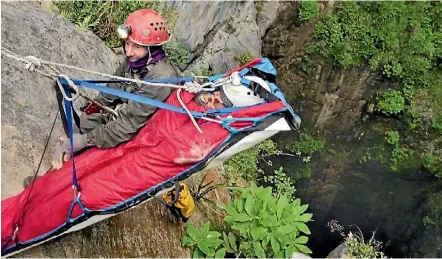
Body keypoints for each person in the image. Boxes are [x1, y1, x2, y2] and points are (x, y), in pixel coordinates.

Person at [51, 9, 180, 169]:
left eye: (137, 47)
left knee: (92, 160)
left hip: (139, 135)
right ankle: (72, 157)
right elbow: (111, 90)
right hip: (121, 117)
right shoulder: (136, 61)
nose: (128, 52)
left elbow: (127, 126)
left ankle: (66, 174)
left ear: (152, 50)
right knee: (85, 123)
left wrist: (84, 140)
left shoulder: (162, 79)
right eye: (127, 44)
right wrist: (89, 114)